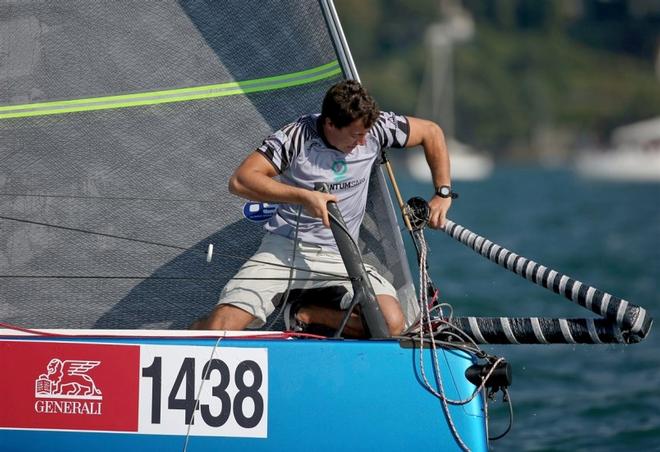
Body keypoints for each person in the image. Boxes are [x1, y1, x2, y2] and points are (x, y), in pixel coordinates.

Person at [191, 80, 454, 337]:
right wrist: (305, 197)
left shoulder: (375, 128)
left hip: (341, 254)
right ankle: (186, 338)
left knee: (391, 323)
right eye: (355, 135)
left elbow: (431, 132)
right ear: (330, 123)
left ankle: (306, 314)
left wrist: (442, 193)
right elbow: (241, 180)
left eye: (365, 133)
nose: (363, 142)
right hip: (286, 248)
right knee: (221, 326)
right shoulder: (297, 136)